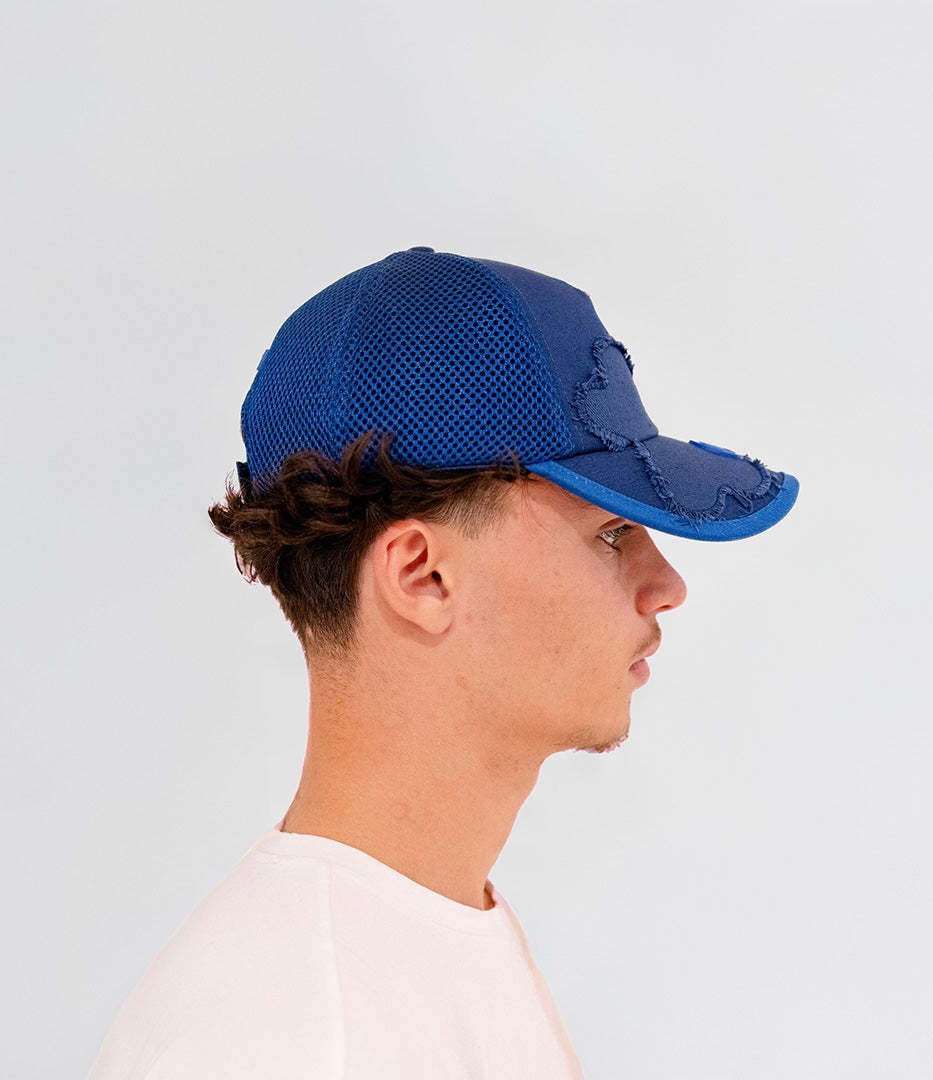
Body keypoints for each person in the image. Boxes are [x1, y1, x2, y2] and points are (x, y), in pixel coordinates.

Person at [86, 245, 799, 1078]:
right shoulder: (303, 1040)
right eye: (612, 532)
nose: (667, 585)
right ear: (422, 576)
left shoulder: (417, 937)